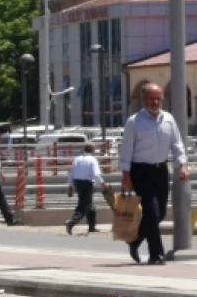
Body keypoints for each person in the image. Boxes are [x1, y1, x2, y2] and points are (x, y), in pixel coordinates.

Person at [118, 83, 187, 265]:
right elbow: (126, 150)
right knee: (152, 212)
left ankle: (135, 241)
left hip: (161, 170)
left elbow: (177, 145)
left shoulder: (169, 120)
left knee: (161, 213)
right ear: (144, 99)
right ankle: (156, 255)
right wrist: (126, 175)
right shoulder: (134, 121)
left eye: (158, 98)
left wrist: (182, 165)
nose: (155, 102)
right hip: (140, 171)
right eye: (151, 98)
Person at [65, 143, 109, 235]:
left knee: (90, 206)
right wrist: (102, 183)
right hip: (87, 184)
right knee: (84, 205)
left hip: (78, 183)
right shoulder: (93, 160)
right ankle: (72, 222)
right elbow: (96, 174)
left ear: (84, 150)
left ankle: (92, 227)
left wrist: (70, 186)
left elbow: (71, 173)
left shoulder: (77, 159)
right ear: (92, 150)